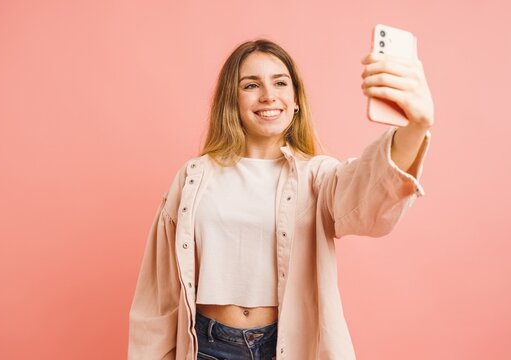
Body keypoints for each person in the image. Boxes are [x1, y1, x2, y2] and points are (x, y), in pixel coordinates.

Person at [128, 38, 433, 360]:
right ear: (232, 99)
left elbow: (369, 198)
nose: (268, 95)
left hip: (287, 348)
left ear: (296, 99)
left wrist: (415, 127)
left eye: (280, 82)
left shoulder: (317, 176)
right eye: (250, 85)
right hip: (208, 348)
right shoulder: (194, 177)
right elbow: (158, 294)